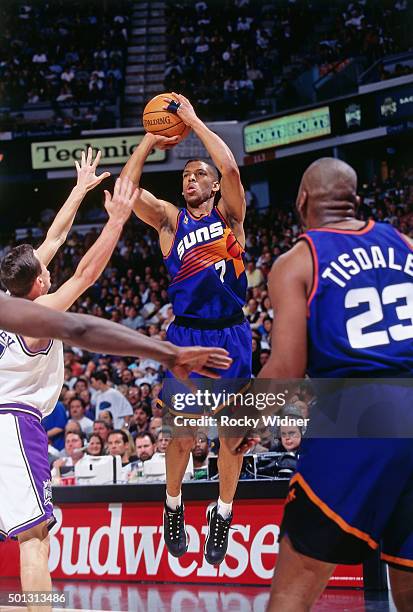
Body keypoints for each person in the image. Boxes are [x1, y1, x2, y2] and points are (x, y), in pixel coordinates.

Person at [0, 234, 230, 608]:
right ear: (39, 284)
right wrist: (118, 220)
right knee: (35, 537)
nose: (49, 267)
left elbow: (55, 237)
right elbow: (85, 275)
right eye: (44, 270)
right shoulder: (37, 315)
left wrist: (78, 191)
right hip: (13, 420)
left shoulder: (7, 301)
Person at [257, 158, 413, 612]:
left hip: (355, 415)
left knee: (293, 588)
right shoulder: (405, 244)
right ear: (356, 200)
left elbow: (286, 369)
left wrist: (237, 421)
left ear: (302, 201)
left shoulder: (299, 259)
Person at [121, 92, 252, 565]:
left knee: (231, 437)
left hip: (233, 334)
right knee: (183, 436)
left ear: (215, 187)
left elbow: (233, 169)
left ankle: (223, 511)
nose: (190, 180)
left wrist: (193, 121)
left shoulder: (230, 219)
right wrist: (146, 143)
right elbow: (127, 194)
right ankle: (173, 503)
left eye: (199, 175)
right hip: (187, 337)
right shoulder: (170, 222)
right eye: (185, 176)